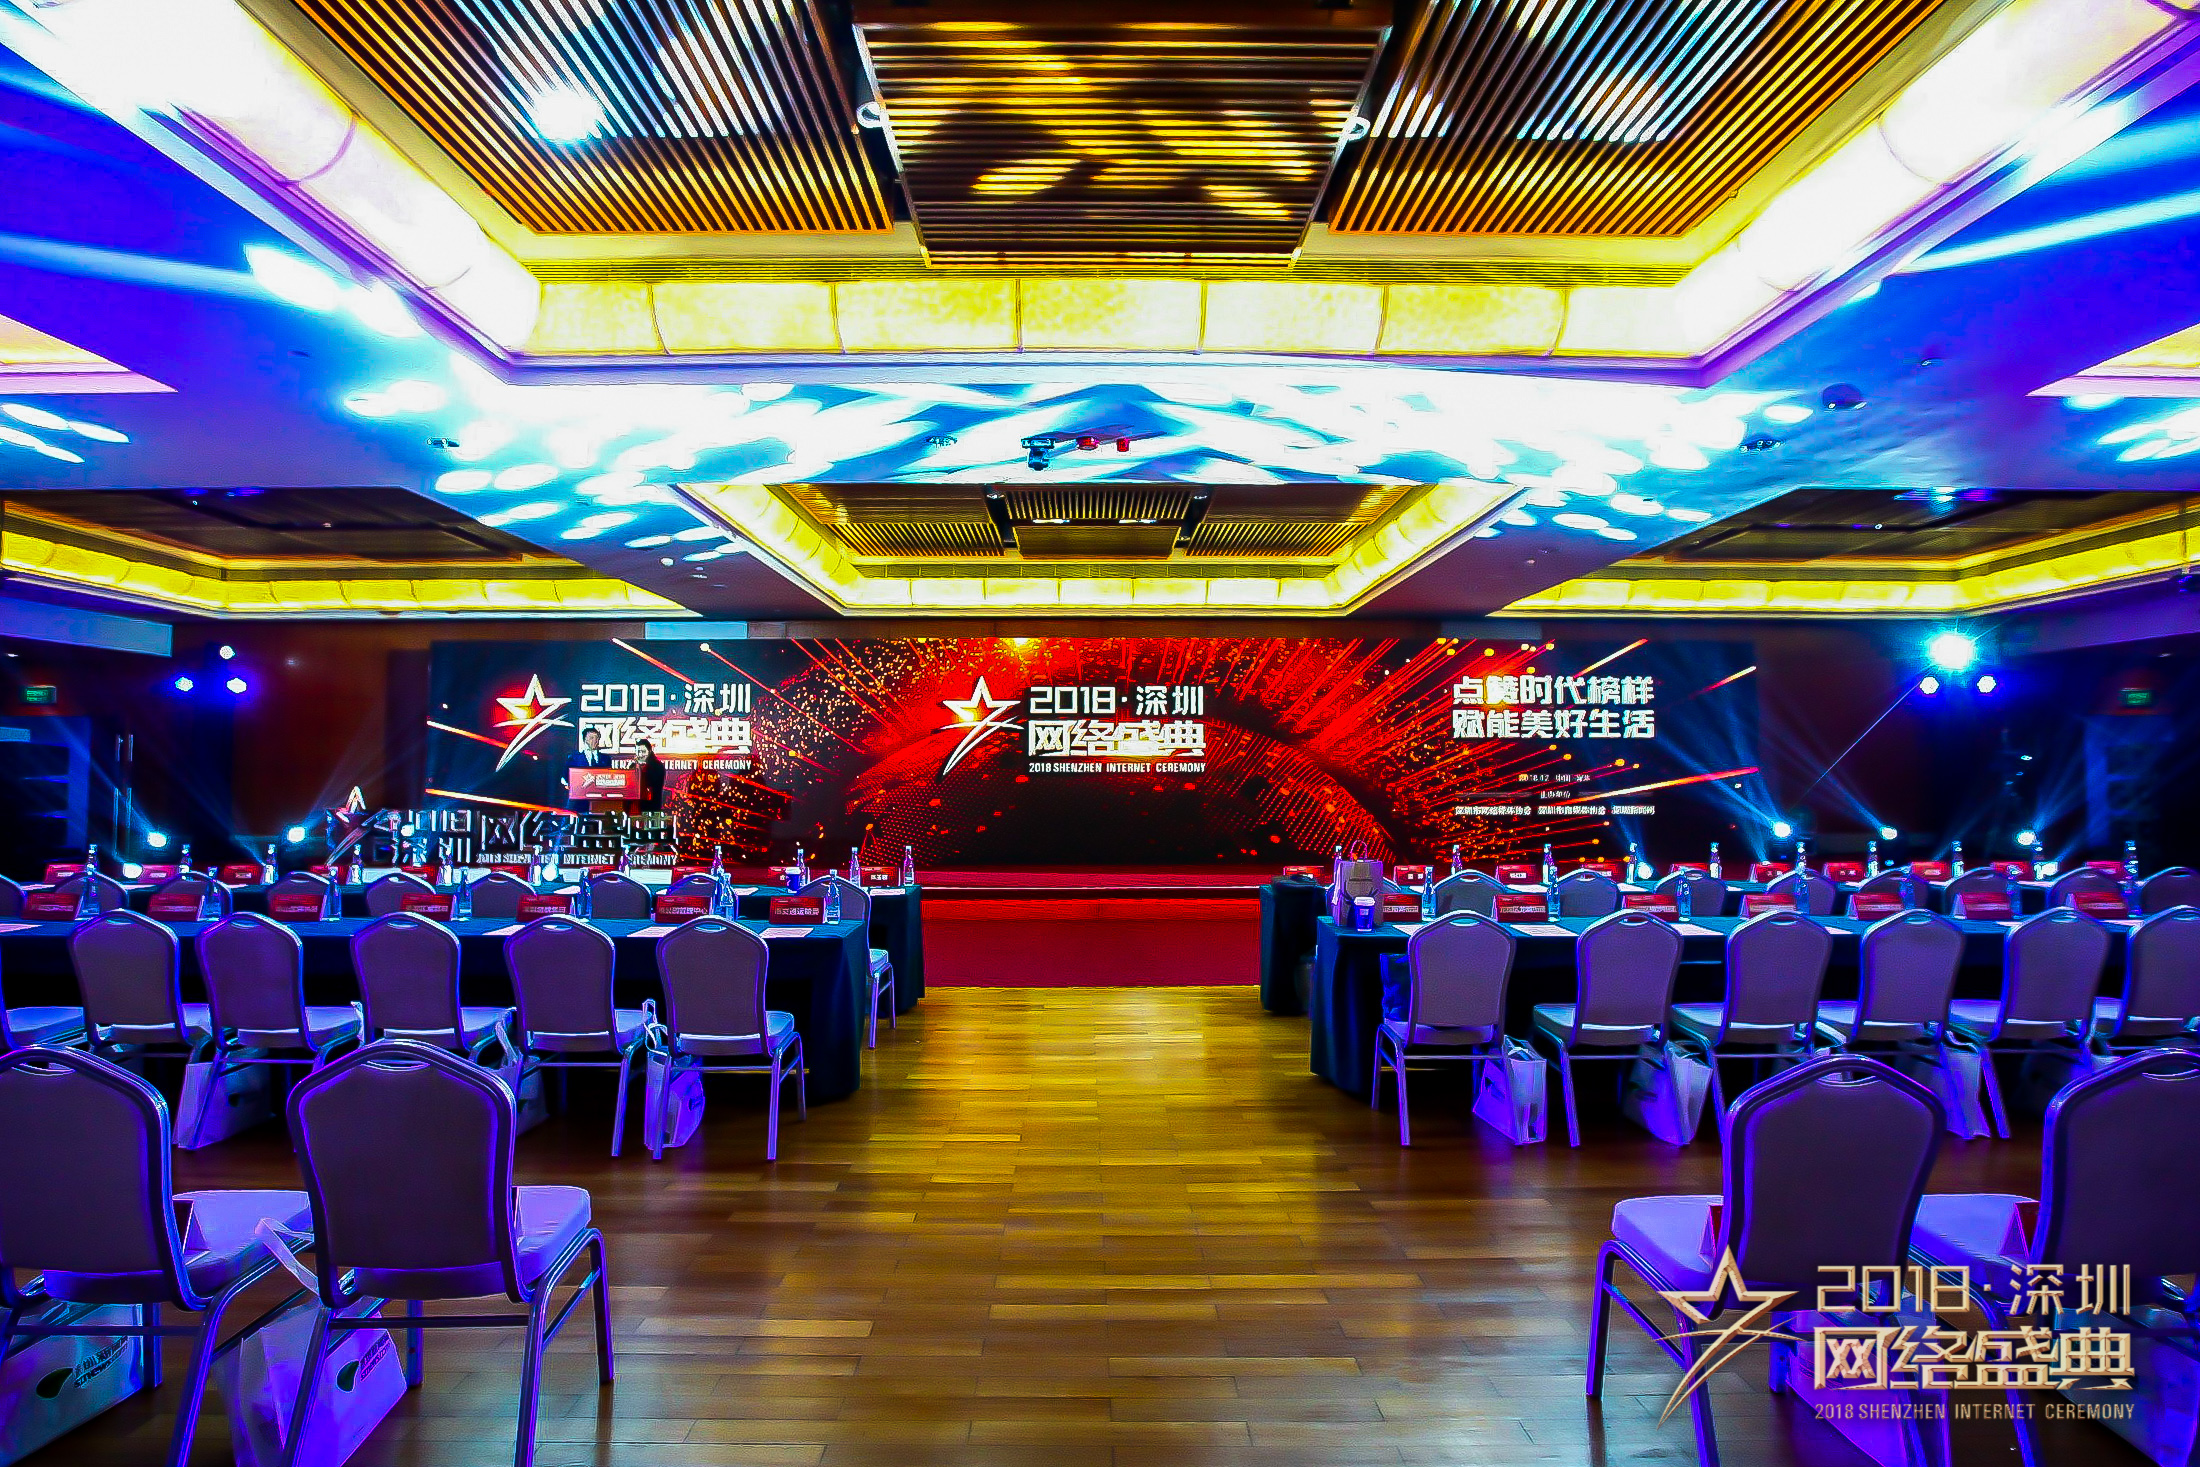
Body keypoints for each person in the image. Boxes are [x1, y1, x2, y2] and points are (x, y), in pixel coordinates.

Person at [564, 728, 609, 809]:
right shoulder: (574, 758)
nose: (595, 740)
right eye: (591, 738)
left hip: (600, 800)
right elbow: (565, 777)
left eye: (597, 738)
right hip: (578, 800)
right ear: (584, 740)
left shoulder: (606, 759)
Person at [630, 739, 665, 814]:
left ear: (649, 751)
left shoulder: (657, 765)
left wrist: (640, 768)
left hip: (651, 806)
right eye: (638, 751)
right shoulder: (633, 765)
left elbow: (653, 783)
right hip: (634, 807)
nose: (640, 754)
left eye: (643, 751)